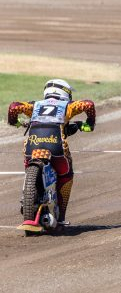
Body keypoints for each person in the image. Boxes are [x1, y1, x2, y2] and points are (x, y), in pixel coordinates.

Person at [8, 79, 96, 227]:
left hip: (31, 147)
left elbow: (14, 107)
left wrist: (14, 122)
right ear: (66, 93)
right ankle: (61, 217)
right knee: (66, 175)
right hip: (56, 147)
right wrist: (89, 124)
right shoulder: (67, 106)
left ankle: (28, 194)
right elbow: (89, 104)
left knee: (28, 163)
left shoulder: (34, 105)